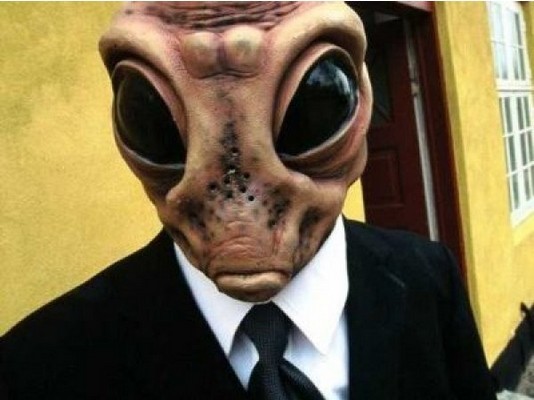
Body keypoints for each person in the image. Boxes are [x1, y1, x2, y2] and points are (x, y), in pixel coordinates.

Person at [1, 2, 496, 399]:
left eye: (312, 105)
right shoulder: (35, 366)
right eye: (151, 117)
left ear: (363, 97)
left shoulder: (430, 280)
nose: (239, 216)